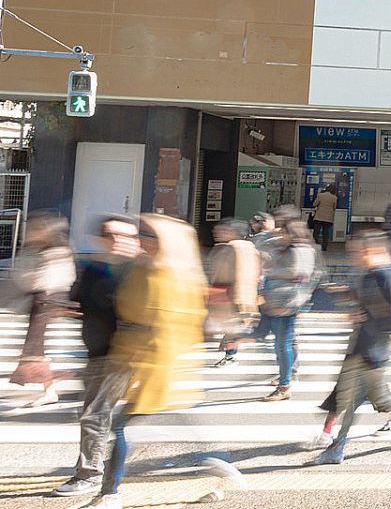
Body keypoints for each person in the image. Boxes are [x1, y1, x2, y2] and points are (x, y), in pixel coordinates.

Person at [96, 215, 242, 508]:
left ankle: (109, 492)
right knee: (175, 424)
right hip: (141, 363)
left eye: (150, 237)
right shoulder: (140, 269)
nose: (144, 242)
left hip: (161, 367)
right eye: (143, 236)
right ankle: (218, 465)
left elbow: (176, 326)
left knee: (126, 427)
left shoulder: (173, 277)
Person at [309, 231, 391, 464]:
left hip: (379, 349)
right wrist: (345, 297)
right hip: (361, 345)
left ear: (371, 250)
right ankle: (336, 449)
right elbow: (364, 301)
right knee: (350, 400)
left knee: (384, 397)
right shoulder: (369, 274)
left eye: (356, 252)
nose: (353, 257)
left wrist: (364, 317)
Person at [52, 215, 139, 498]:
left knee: (95, 415)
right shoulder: (91, 268)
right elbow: (79, 302)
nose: (121, 242)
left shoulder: (140, 271)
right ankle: (99, 470)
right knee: (99, 416)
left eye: (128, 237)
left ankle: (90, 474)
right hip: (97, 354)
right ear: (101, 239)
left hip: (124, 355)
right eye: (113, 236)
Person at [7, 214, 74, 408]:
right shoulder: (43, 250)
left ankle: (50, 391)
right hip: (42, 303)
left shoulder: (55, 252)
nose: (28, 232)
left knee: (36, 350)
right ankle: (49, 390)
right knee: (36, 349)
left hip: (45, 303)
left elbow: (41, 280)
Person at [260, 217, 317, 401]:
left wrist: (287, 304)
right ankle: (287, 375)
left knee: (283, 343)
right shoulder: (285, 248)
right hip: (275, 302)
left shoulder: (300, 252)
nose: (280, 234)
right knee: (283, 342)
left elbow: (301, 278)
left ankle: (284, 384)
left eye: (283, 231)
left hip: (285, 305)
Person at [207, 219, 260, 368]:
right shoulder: (249, 247)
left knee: (231, 327)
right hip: (242, 294)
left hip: (230, 293)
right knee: (232, 326)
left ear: (232, 232)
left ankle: (230, 355)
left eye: (222, 230)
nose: (216, 233)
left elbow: (225, 273)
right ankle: (230, 353)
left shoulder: (232, 248)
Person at [311, 183, 338, 250]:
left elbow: (314, 204)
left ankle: (315, 244)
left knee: (316, 232)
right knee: (325, 233)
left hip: (319, 217)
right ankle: (324, 247)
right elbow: (334, 208)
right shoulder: (334, 198)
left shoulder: (320, 195)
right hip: (328, 218)